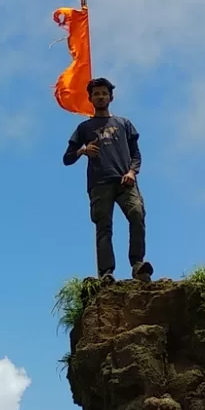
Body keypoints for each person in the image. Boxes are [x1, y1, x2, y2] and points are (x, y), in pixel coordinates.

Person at [62, 77, 153, 282]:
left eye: (104, 93)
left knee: (137, 214)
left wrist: (132, 172)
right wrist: (83, 150)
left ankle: (138, 265)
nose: (101, 96)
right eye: (96, 94)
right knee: (104, 227)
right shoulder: (84, 128)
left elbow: (136, 154)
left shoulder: (123, 123)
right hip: (99, 183)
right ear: (91, 98)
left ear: (111, 97)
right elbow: (67, 158)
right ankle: (106, 273)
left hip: (125, 180)